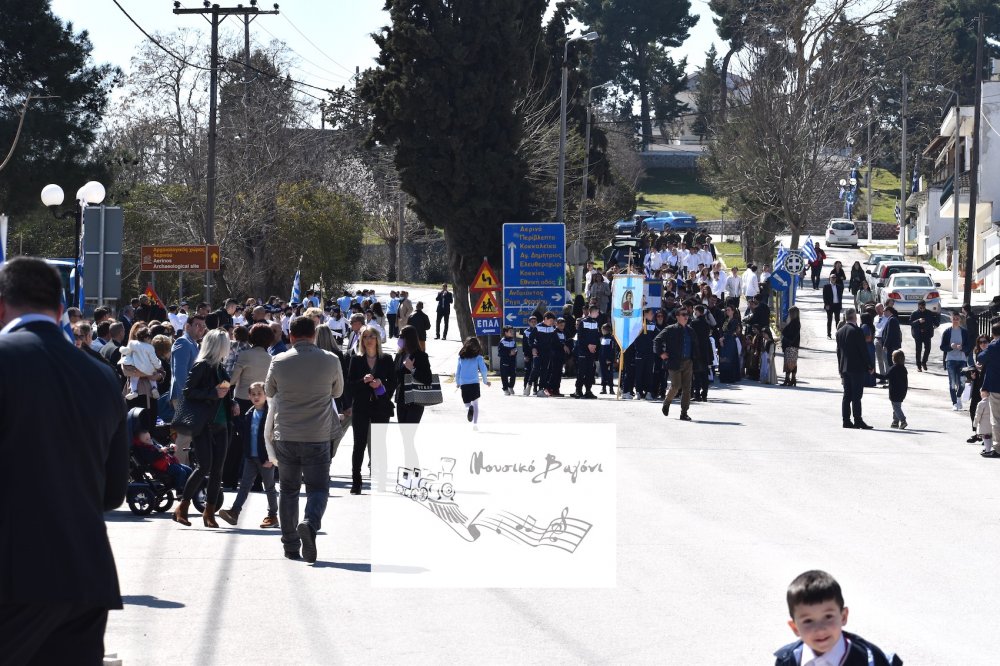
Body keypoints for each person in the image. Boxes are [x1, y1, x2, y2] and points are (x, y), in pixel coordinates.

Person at [0, 258, 128, 664]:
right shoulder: (102, 375)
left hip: (14, 575)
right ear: (60, 311)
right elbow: (113, 492)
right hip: (87, 576)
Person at [265, 316, 343, 562]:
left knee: (288, 490)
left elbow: (269, 391)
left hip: (286, 434)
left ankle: (290, 544)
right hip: (318, 436)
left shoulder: (278, 360)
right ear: (314, 335)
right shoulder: (331, 360)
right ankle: (310, 522)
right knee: (318, 488)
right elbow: (338, 391)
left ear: (291, 336)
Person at [173, 329, 235, 529]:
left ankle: (209, 512)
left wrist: (231, 402)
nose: (229, 346)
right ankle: (183, 506)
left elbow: (224, 392)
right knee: (204, 467)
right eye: (225, 343)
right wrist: (213, 393)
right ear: (217, 346)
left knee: (218, 470)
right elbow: (188, 392)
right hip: (204, 423)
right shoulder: (202, 365)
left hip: (222, 423)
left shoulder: (220, 367)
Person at [774, 570, 902, 666]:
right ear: (795, 628)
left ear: (843, 616)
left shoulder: (870, 660)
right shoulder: (787, 661)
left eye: (828, 616)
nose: (820, 630)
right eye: (808, 621)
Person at [218, 382, 279, 529]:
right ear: (249, 396)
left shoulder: (270, 413)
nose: (256, 397)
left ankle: (272, 515)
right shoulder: (250, 413)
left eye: (260, 393)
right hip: (250, 458)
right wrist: (236, 417)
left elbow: (276, 437)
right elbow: (243, 432)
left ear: (266, 395)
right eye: (253, 394)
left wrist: (272, 459)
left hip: (266, 458)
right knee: (244, 486)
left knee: (269, 487)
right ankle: (235, 512)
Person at [344, 325, 396, 495]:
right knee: (359, 444)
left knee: (380, 444)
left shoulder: (387, 359)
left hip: (381, 406)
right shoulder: (356, 359)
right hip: (361, 407)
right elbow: (349, 386)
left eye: (371, 336)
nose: (368, 340)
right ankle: (356, 482)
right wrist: (363, 381)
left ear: (377, 339)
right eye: (365, 337)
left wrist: (381, 385)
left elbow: (394, 383)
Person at [170, 315, 207, 465]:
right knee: (184, 436)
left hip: (189, 396)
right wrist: (189, 396)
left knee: (187, 437)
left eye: (203, 326)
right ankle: (180, 473)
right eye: (197, 325)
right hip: (184, 396)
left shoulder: (193, 344)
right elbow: (180, 374)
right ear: (187, 326)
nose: (201, 329)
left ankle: (184, 471)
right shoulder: (183, 342)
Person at [654, 307, 700, 421]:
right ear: (677, 317)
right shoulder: (670, 329)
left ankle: (684, 413)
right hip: (674, 361)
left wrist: (697, 359)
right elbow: (657, 340)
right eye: (683, 314)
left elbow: (696, 346)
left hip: (688, 362)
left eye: (687, 314)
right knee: (675, 386)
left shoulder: (691, 330)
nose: (686, 316)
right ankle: (667, 402)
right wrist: (661, 353)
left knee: (687, 388)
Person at [835, 308, 874, 429]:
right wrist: (870, 365)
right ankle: (858, 420)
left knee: (847, 395)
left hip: (845, 367)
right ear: (854, 317)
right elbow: (863, 350)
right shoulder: (857, 331)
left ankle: (846, 420)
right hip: (856, 368)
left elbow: (838, 352)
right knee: (856, 396)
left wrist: (840, 368)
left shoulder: (839, 331)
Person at [132, 426, 191, 492]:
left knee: (188, 470)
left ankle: (190, 486)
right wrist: (160, 451)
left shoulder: (152, 445)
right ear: (141, 442)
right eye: (147, 439)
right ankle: (179, 489)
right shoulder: (144, 449)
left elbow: (163, 449)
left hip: (169, 463)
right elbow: (150, 457)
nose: (150, 440)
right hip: (161, 467)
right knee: (181, 472)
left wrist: (170, 447)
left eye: (149, 438)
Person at [394, 325, 433, 422]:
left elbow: (428, 379)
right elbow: (394, 377)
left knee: (409, 433)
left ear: (409, 338)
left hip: (416, 399)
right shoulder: (399, 355)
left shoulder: (421, 356)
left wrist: (412, 369)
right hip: (401, 400)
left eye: (401, 336)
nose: (399, 339)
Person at [941, 310, 973, 411]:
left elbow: (969, 346)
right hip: (950, 360)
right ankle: (954, 403)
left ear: (960, 320)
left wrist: (962, 348)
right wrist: (950, 347)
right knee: (952, 383)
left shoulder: (964, 332)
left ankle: (958, 397)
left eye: (957, 319)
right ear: (951, 319)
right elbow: (942, 347)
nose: (955, 320)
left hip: (962, 360)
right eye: (953, 319)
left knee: (962, 382)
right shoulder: (947, 332)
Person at [120, 325, 162, 401]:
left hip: (137, 368)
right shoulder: (150, 348)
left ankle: (134, 391)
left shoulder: (133, 344)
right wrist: (157, 367)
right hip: (147, 371)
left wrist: (122, 349)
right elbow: (126, 371)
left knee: (134, 379)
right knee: (151, 375)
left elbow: (161, 374)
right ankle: (154, 388)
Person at [456, 336, 490, 423]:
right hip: (474, 383)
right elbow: (483, 370)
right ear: (477, 347)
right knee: (475, 404)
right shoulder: (478, 358)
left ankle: (468, 409)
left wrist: (458, 382)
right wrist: (485, 381)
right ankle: (475, 424)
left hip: (464, 384)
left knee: (467, 403)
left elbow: (458, 372)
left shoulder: (461, 358)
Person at [874, 349, 909, 429]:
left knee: (896, 407)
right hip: (902, 391)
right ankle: (895, 422)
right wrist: (905, 390)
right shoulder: (903, 369)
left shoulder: (893, 369)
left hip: (894, 391)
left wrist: (874, 374)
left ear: (894, 359)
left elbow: (885, 377)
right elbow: (906, 381)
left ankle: (903, 420)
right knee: (896, 406)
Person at [572, 305, 600, 399]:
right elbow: (580, 337)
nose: (598, 314)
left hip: (591, 351)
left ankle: (588, 390)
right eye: (597, 312)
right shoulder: (583, 322)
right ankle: (578, 390)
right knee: (581, 371)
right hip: (583, 351)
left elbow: (596, 336)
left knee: (590, 371)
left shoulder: (596, 323)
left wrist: (595, 345)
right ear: (592, 312)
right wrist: (588, 345)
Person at [908, 300, 936, 372]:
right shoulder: (914, 313)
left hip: (927, 334)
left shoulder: (929, 313)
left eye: (923, 307)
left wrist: (935, 325)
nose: (922, 309)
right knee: (918, 350)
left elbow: (935, 321)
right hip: (918, 334)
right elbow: (910, 323)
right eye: (920, 308)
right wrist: (918, 321)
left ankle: (924, 362)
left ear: (925, 306)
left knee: (928, 349)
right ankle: (919, 365)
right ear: (918, 306)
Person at [781, 307, 801, 386]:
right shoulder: (794, 322)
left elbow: (789, 334)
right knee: (792, 362)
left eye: (790, 313)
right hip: (793, 345)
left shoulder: (794, 323)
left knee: (789, 363)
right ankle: (792, 379)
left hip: (791, 345)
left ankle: (788, 379)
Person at [497, 326, 519, 396]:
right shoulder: (502, 341)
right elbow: (500, 353)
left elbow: (516, 349)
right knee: (504, 375)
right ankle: (505, 388)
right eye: (510, 331)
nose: (512, 332)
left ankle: (510, 386)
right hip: (504, 361)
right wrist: (509, 353)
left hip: (512, 361)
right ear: (506, 333)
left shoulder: (513, 341)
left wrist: (515, 352)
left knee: (513, 374)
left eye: (512, 331)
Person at [974, 390, 996, 457]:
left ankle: (987, 450)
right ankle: (990, 448)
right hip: (992, 423)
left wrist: (975, 423)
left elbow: (978, 415)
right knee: (991, 436)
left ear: (983, 394)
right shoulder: (993, 402)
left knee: (986, 437)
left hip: (984, 424)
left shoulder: (981, 403)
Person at [822, 275, 844, 339]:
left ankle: (838, 334)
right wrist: (826, 305)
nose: (834, 279)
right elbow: (824, 296)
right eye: (832, 278)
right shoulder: (826, 286)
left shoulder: (839, 287)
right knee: (829, 320)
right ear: (830, 279)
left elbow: (840, 296)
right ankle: (828, 334)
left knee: (838, 320)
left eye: (835, 277)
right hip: (829, 305)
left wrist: (840, 305)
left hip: (837, 305)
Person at [598, 322, 617, 394]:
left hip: (608, 359)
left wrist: (609, 359)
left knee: (609, 374)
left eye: (603, 329)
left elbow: (612, 349)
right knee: (603, 374)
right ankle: (603, 388)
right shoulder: (602, 338)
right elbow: (601, 349)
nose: (602, 331)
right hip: (602, 359)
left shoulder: (611, 338)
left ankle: (611, 388)